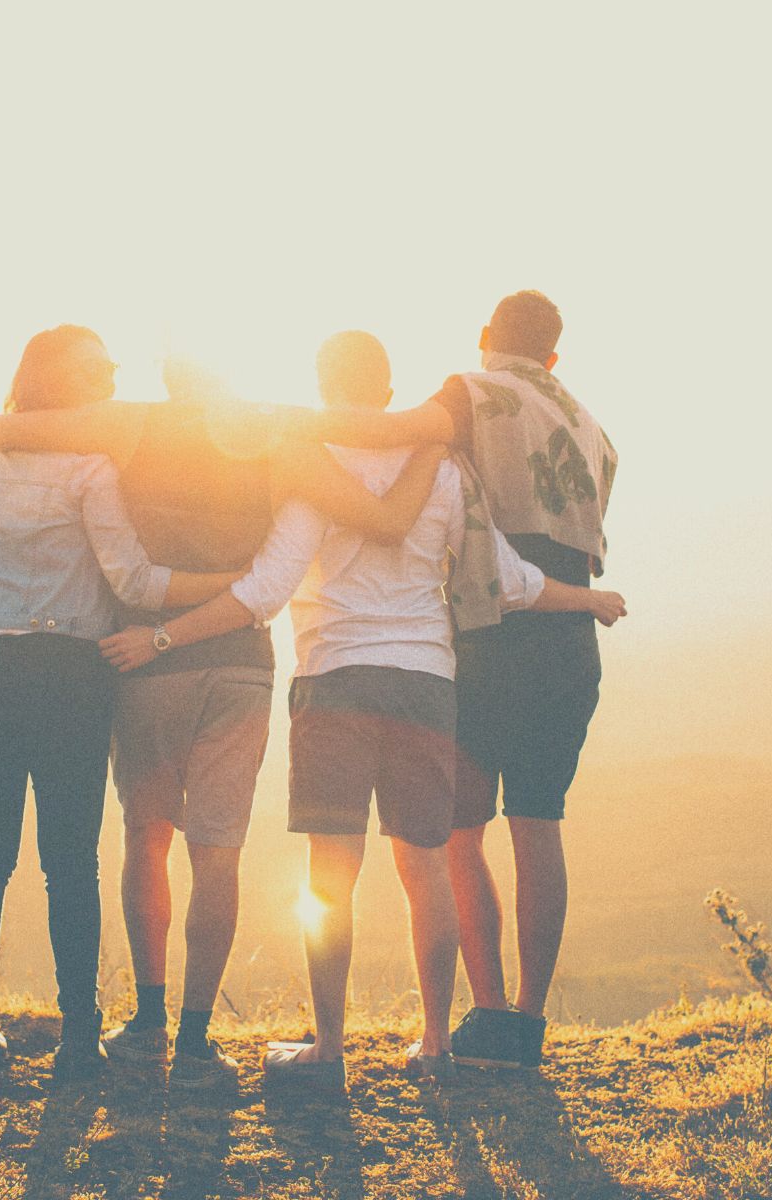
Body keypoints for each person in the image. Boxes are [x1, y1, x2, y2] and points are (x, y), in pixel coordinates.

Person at [100, 331, 626, 1090]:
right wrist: (590, 599)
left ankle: (329, 1050)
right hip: (426, 685)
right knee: (426, 870)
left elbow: (265, 591)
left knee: (330, 878)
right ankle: (437, 1043)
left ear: (322, 388)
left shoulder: (314, 467)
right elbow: (509, 580)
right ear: (388, 395)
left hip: (335, 681)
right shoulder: (444, 470)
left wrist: (163, 636)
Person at [0, 347, 444, 1089]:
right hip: (239, 666)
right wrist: (431, 437)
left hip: (148, 662)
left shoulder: (129, 427)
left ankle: (147, 1022)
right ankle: (197, 1042)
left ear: (169, 374)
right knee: (218, 851)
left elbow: (2, 430)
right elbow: (381, 518)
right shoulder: (277, 441)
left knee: (147, 835)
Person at [295, 292, 620, 1069]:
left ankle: (486, 1013)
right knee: (540, 824)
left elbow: (387, 432)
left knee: (460, 834)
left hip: (490, 636)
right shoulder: (591, 426)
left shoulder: (470, 393)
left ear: (485, 340)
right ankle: (527, 1026)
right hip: (569, 638)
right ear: (554, 355)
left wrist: (276, 428)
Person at [0, 325, 247, 1078]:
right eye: (100, 370)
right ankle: (80, 1037)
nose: (113, 378)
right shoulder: (89, 469)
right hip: (67, 674)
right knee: (69, 861)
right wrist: (233, 586)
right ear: (70, 386)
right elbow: (137, 585)